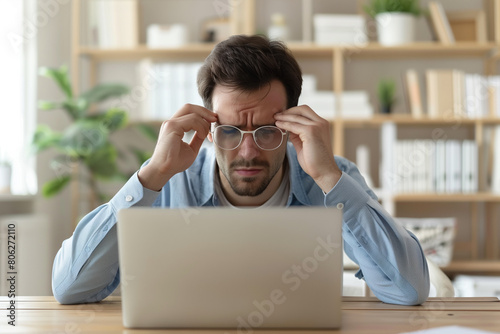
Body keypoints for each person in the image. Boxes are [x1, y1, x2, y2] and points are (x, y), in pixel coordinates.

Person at [52, 35, 429, 306]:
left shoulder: (329, 176)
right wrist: (151, 175)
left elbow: (409, 290)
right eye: (230, 131)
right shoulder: (167, 178)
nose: (248, 151)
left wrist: (330, 177)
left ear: (292, 123)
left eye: (267, 131)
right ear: (208, 129)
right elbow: (70, 288)